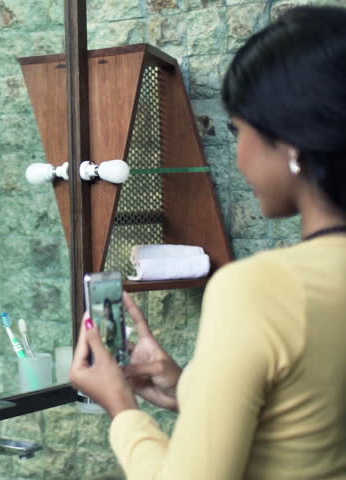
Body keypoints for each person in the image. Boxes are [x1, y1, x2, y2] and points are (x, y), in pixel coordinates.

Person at [70, 6, 346, 479]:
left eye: (240, 131)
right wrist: (187, 389)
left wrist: (121, 407)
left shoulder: (262, 288)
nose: (237, 156)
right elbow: (308, 420)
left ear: (293, 140)